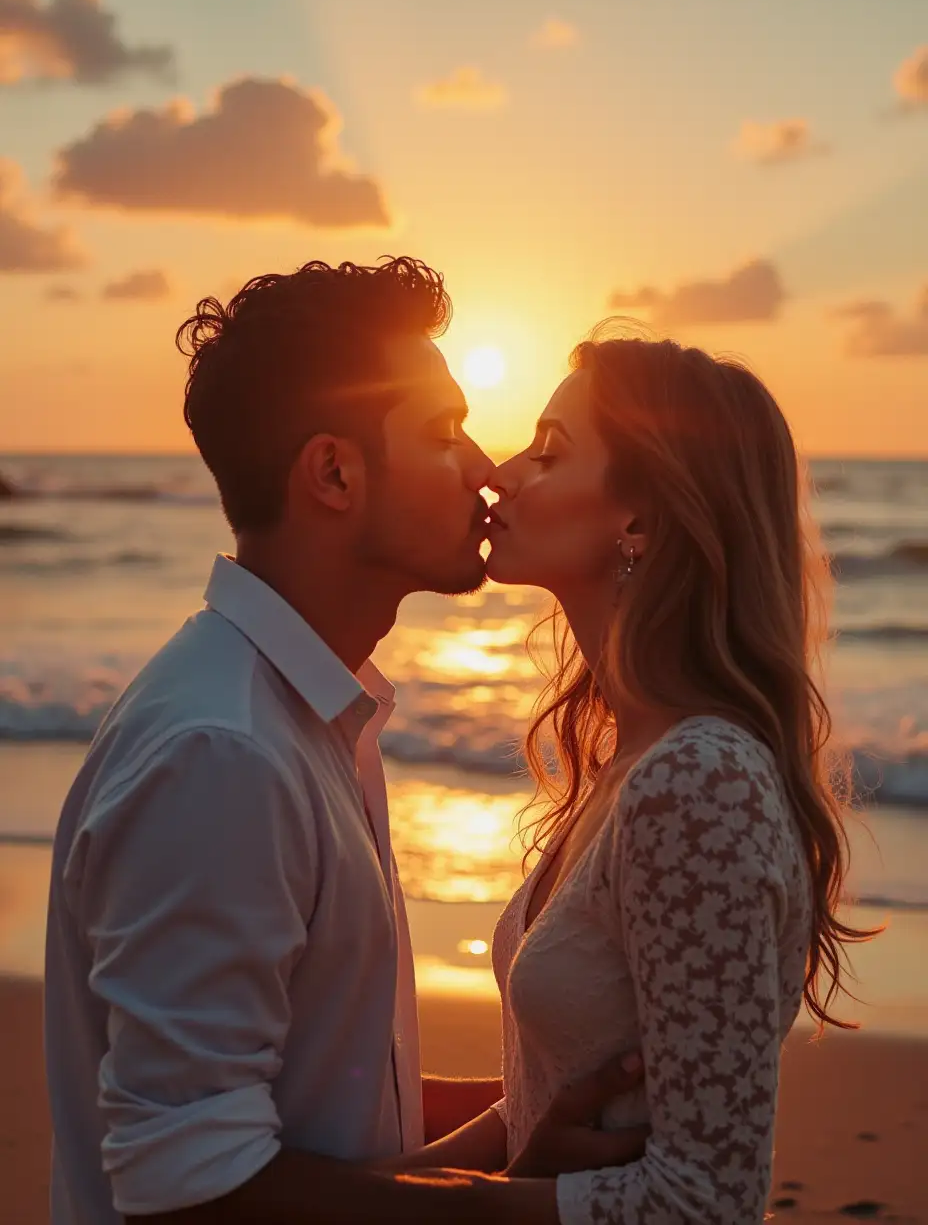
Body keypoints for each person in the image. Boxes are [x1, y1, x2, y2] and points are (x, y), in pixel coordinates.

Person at [43, 260, 644, 1225]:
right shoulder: (222, 754)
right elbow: (190, 1193)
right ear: (333, 472)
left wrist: (511, 1129)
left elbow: (333, 1102)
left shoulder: (306, 715)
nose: (486, 469)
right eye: (445, 433)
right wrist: (542, 1209)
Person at [455, 327, 874, 1223]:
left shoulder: (700, 783)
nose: (501, 471)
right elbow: (557, 1093)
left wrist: (433, 1209)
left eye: (549, 450)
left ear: (637, 521)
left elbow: (705, 1201)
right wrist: (376, 1187)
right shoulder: (633, 766)